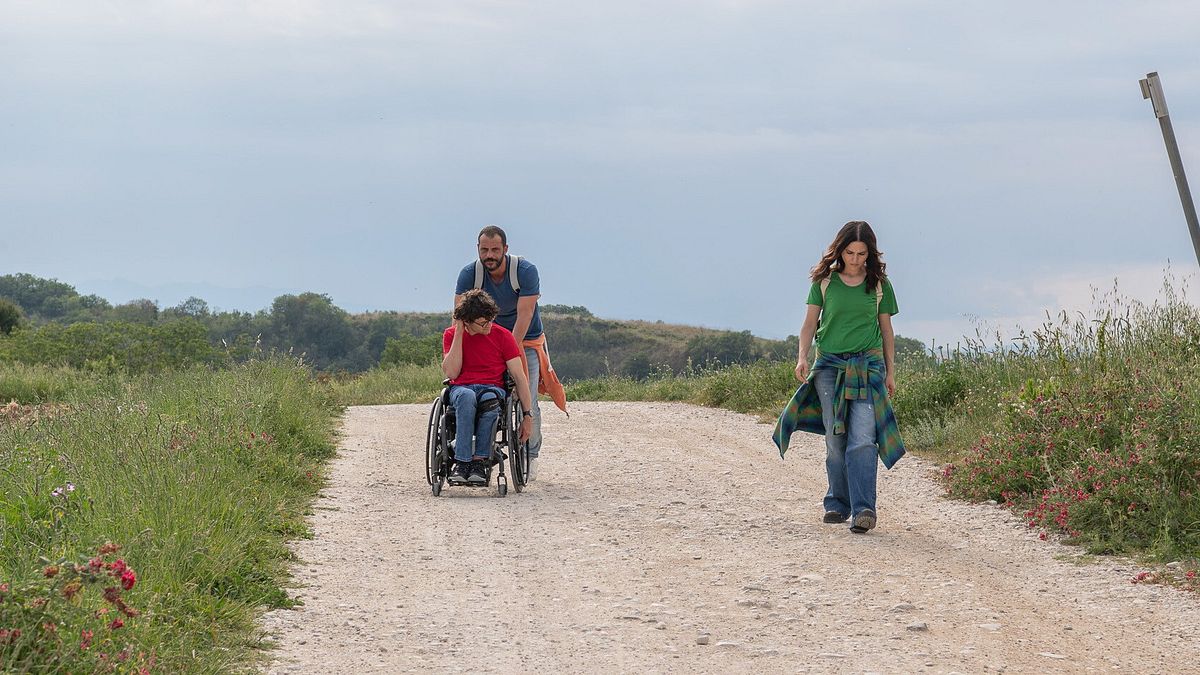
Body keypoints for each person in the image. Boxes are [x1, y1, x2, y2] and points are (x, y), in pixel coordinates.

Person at [772, 220, 906, 534]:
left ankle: (863, 510)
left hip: (867, 367)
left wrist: (890, 372)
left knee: (862, 438)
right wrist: (802, 356)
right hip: (829, 368)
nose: (856, 259)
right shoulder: (824, 282)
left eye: (862, 253)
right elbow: (809, 324)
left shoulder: (879, 286)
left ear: (870, 253)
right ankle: (836, 502)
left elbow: (887, 330)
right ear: (839, 250)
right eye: (850, 252)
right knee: (836, 439)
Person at [455, 225, 567, 482]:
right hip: (483, 337)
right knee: (474, 390)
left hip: (523, 339)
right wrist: (456, 347)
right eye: (484, 250)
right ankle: (469, 452)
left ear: (505, 249)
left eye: (495, 250)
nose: (489, 255)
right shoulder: (469, 274)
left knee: (528, 399)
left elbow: (525, 313)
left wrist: (508, 350)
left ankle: (531, 455)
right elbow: (458, 316)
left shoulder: (525, 272)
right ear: (478, 250)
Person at [442, 289, 534, 485]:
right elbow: (451, 373)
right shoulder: (451, 335)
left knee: (489, 401)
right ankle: (462, 462)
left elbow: (519, 376)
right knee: (466, 397)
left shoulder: (503, 336)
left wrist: (528, 415)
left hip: (492, 388)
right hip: (462, 388)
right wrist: (459, 332)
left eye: (491, 320)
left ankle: (479, 462)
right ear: (467, 321)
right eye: (483, 323)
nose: (489, 326)